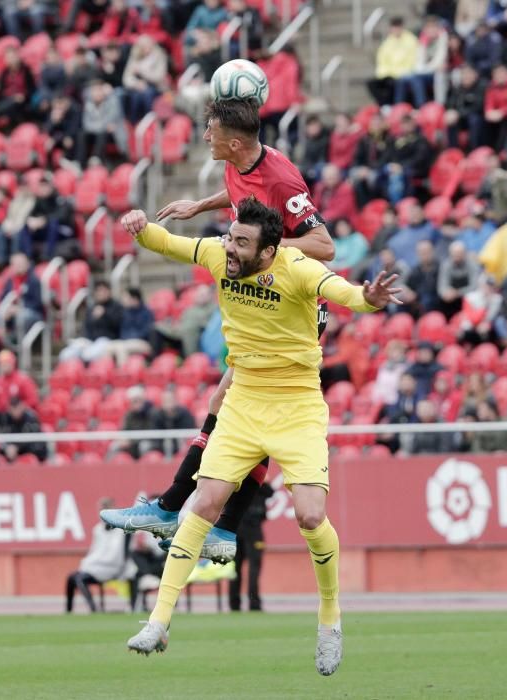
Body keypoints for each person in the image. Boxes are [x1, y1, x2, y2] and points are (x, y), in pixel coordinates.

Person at [118, 198, 401, 674]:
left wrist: (367, 299)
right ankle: (158, 621)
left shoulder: (298, 269)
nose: (230, 247)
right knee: (204, 503)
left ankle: (329, 616)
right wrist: (141, 229)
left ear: (269, 251)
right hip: (244, 402)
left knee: (311, 517)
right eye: (230, 236)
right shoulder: (220, 254)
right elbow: (171, 243)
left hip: (297, 406)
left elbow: (341, 290)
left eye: (241, 242)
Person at [101, 98, 334, 566]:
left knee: (233, 406)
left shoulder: (283, 178)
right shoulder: (237, 163)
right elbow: (244, 200)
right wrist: (200, 205)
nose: (203, 137)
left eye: (209, 131)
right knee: (223, 404)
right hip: (267, 310)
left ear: (232, 141)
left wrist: (265, 248)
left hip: (296, 315)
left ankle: (172, 509)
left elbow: (323, 245)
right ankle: (218, 526)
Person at [66, 499, 130, 613]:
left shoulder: (122, 529)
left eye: (107, 507)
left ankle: (93, 609)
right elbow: (94, 551)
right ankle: (68, 611)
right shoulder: (97, 529)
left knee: (79, 578)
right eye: (101, 508)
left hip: (111, 568)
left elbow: (114, 557)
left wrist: (89, 564)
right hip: (95, 567)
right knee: (71, 578)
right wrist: (87, 563)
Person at [229, 478, 273, 612]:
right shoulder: (258, 482)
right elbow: (269, 492)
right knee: (253, 568)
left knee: (235, 568)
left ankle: (234, 604)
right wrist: (264, 480)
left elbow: (270, 492)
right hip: (253, 531)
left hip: (236, 529)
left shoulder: (236, 480)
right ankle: (254, 604)